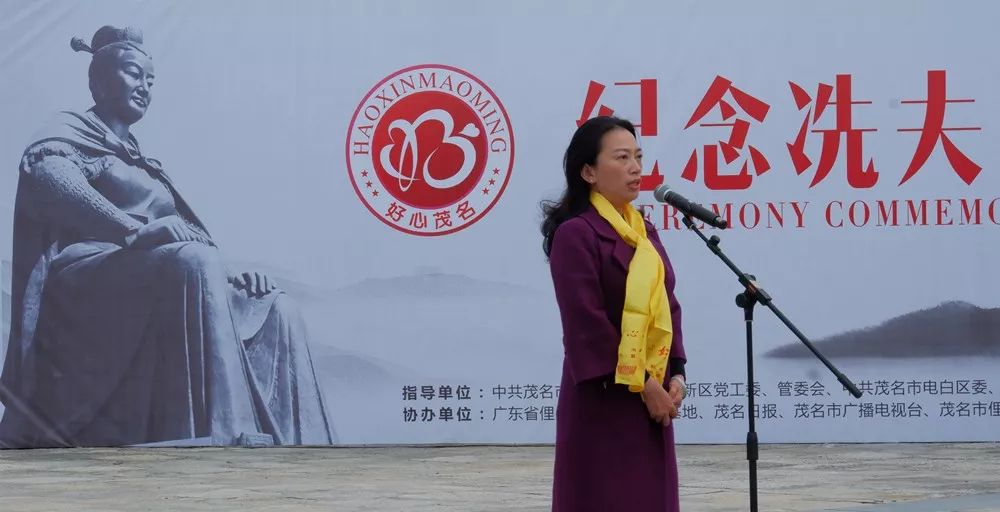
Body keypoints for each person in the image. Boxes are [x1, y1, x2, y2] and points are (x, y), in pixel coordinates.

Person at [0, 25, 335, 447]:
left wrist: (234, 279)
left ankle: (306, 449)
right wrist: (133, 231)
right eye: (133, 74)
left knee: (276, 309)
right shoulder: (69, 131)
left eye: (150, 81)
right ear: (100, 81)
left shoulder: (145, 164)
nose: (144, 88)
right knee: (194, 263)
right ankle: (221, 432)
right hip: (87, 278)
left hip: (152, 271)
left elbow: (185, 233)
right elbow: (47, 177)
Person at [542, 116, 688, 511]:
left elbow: (667, 305)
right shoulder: (576, 234)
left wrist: (676, 372)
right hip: (604, 402)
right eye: (622, 157)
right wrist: (645, 385)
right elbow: (585, 327)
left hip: (652, 400)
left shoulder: (645, 232)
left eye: (638, 156)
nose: (636, 167)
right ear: (588, 171)